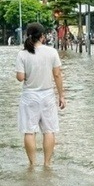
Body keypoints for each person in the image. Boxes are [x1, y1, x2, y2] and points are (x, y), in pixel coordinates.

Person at [15, 22, 66, 167]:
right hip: (47, 96)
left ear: (28, 36)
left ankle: (32, 165)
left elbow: (20, 77)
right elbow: (57, 75)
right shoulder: (52, 52)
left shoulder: (22, 54)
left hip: (29, 96)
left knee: (29, 131)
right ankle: (47, 163)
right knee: (49, 130)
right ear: (43, 36)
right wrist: (61, 96)